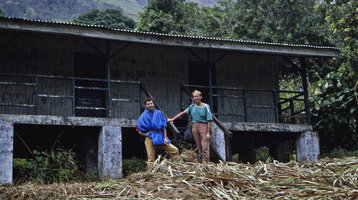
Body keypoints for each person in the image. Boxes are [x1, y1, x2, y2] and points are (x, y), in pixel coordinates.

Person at [167, 90, 212, 162]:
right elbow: (182, 113)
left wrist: (208, 133)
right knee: (199, 145)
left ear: (201, 97)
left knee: (205, 145)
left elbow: (209, 120)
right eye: (194, 97)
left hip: (204, 126)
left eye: (197, 96)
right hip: (194, 126)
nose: (196, 98)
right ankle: (201, 161)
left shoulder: (206, 106)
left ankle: (206, 162)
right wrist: (172, 119)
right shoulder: (192, 106)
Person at [137, 98, 179, 169]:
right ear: (145, 106)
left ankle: (175, 167)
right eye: (148, 104)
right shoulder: (143, 116)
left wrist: (165, 138)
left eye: (151, 103)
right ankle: (149, 174)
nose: (150, 105)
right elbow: (140, 131)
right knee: (151, 159)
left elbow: (164, 127)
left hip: (160, 137)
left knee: (175, 150)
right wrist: (148, 135)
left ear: (153, 104)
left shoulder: (159, 113)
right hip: (150, 138)